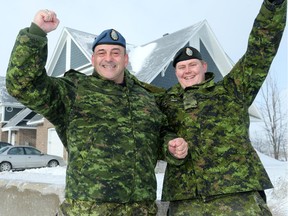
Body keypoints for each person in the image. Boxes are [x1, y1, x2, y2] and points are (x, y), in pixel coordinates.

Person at [5, 10, 188, 216]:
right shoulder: (74, 91)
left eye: (115, 53)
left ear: (125, 59)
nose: (108, 58)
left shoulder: (144, 97)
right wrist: (36, 33)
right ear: (93, 59)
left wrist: (171, 145)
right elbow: (22, 85)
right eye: (102, 52)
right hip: (89, 210)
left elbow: (159, 134)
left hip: (140, 209)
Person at [158, 0, 286, 215]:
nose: (187, 70)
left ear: (204, 66)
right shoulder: (165, 102)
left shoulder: (232, 90)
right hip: (186, 200)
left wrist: (273, 6)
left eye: (193, 65)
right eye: (181, 67)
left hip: (238, 196)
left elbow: (259, 53)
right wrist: (168, 145)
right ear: (175, 72)